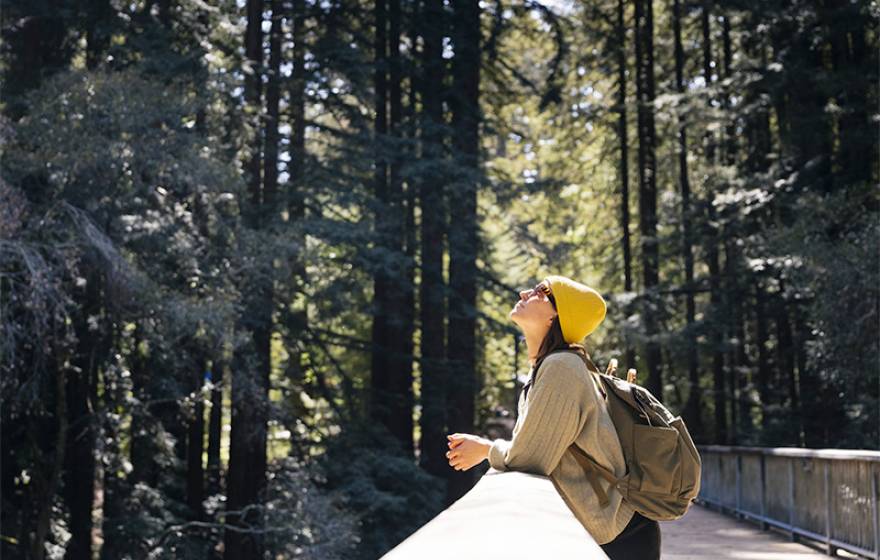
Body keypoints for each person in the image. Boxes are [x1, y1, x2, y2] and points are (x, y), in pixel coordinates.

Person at [446, 275, 661, 559]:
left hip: (621, 537)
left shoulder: (562, 368)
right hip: (611, 533)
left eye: (539, 292)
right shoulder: (549, 369)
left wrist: (486, 450)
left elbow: (530, 459)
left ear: (558, 314)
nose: (524, 293)